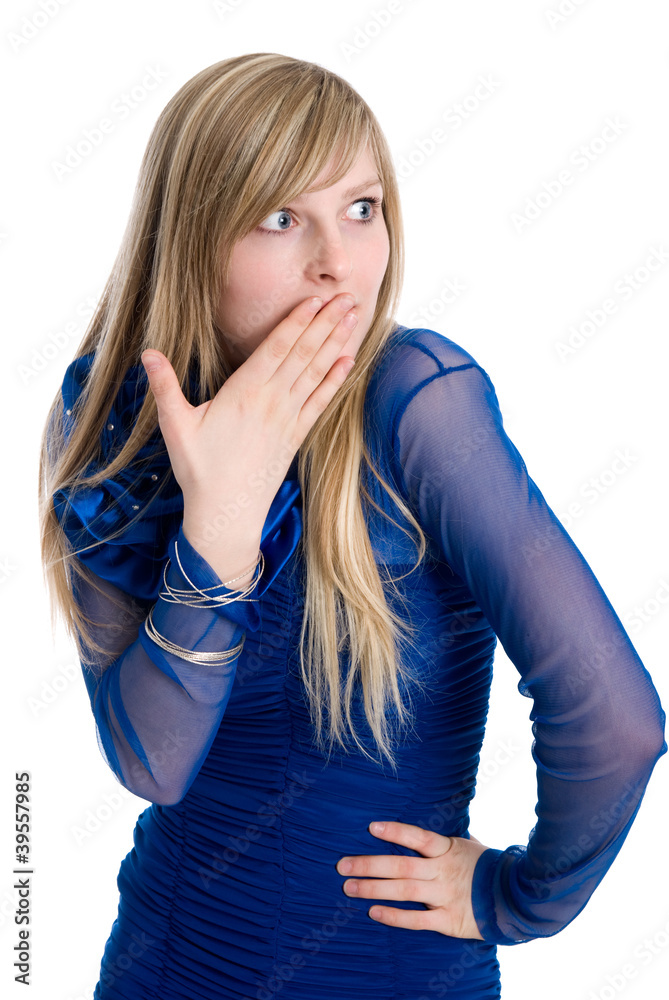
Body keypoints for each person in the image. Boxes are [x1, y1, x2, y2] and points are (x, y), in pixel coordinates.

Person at [39, 53, 666, 1000]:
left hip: (388, 971)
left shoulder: (419, 403)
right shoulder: (116, 415)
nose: (339, 261)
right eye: (282, 217)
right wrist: (222, 518)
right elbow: (152, 763)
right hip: (168, 966)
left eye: (362, 208)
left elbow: (619, 724)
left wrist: (515, 898)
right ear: (193, 241)